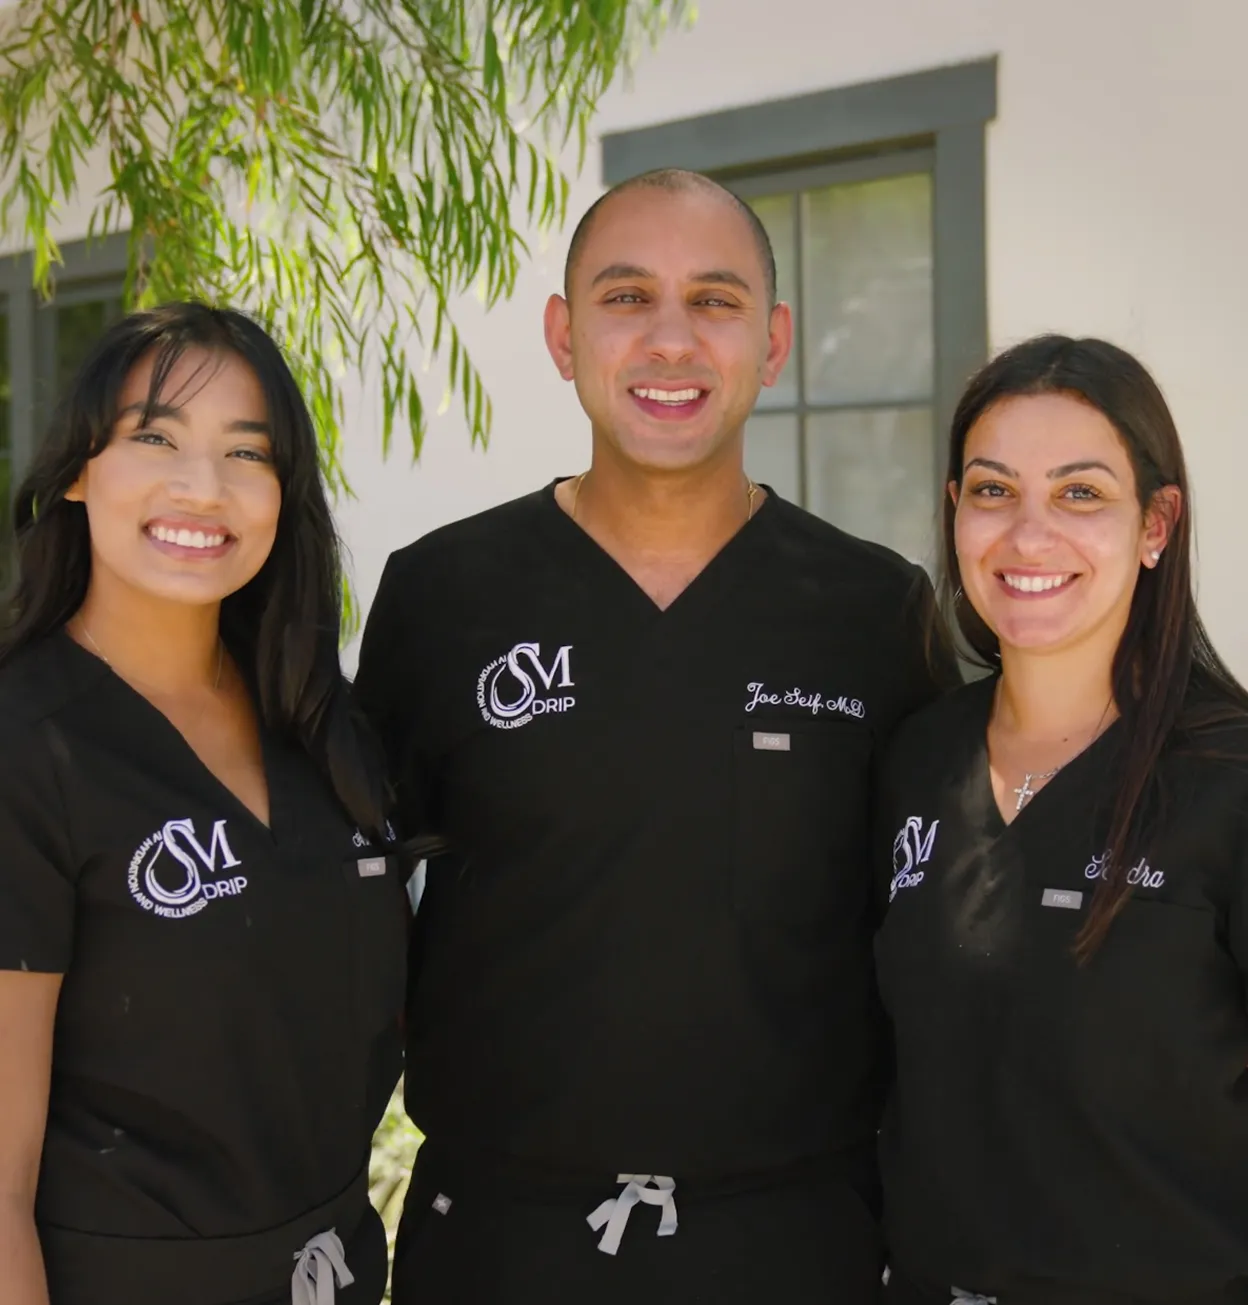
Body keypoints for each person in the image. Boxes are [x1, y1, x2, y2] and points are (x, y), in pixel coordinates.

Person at [355, 168, 957, 1305]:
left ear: (773, 342)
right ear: (563, 334)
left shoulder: (875, 614)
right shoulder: (441, 597)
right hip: (499, 1241)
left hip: (797, 1241)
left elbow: (932, 929)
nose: (670, 341)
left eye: (715, 302)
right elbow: (348, 913)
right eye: (626, 298)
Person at [0, 303, 408, 1305]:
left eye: (247, 452)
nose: (203, 487)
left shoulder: (315, 720)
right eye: (155, 437)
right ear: (76, 471)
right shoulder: (26, 743)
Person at [875, 334, 1248, 1305]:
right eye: (994, 491)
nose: (1028, 537)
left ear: (1156, 523)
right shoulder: (914, 760)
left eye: (1080, 493)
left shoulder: (1230, 777)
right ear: (955, 511)